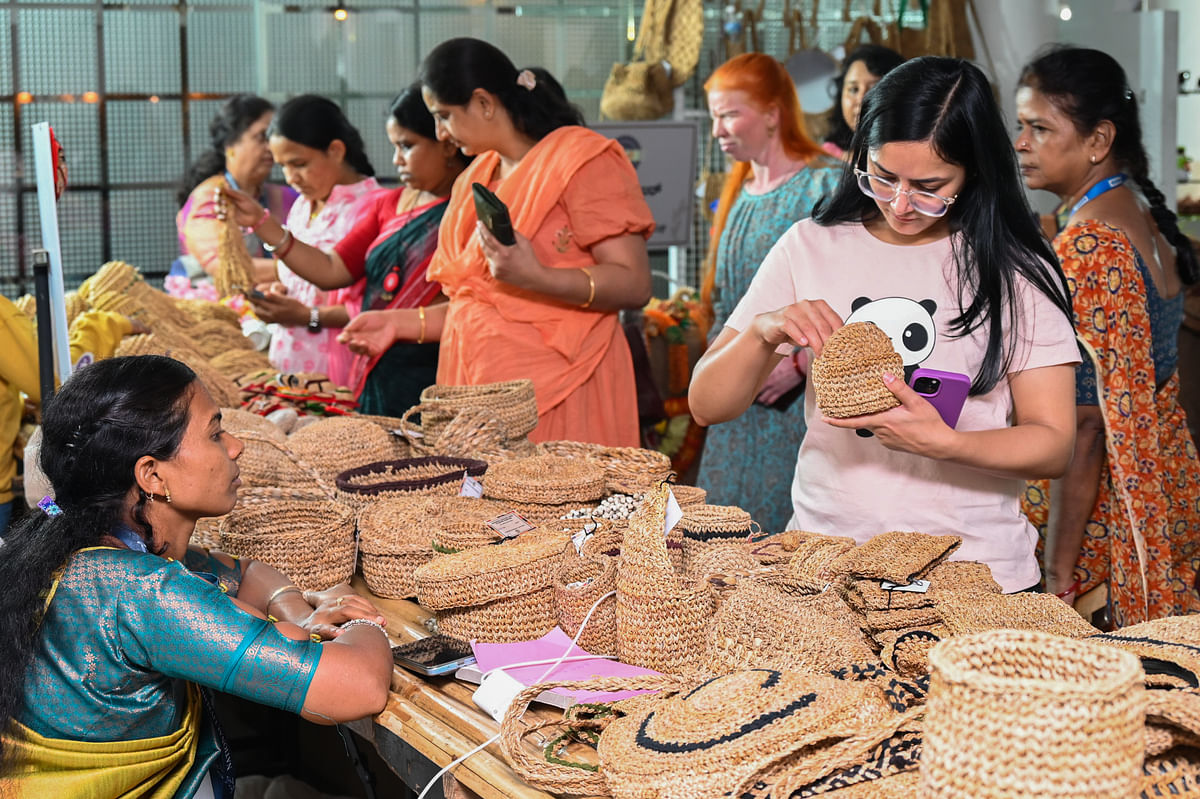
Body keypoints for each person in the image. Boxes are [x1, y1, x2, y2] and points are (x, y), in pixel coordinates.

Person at [689, 57, 1079, 593]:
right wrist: (764, 332)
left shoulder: (1014, 268)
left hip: (972, 576)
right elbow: (708, 405)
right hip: (823, 566)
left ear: (975, 170)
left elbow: (1054, 444)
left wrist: (946, 443)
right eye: (882, 176)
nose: (900, 204)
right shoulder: (811, 244)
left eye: (929, 185)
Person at [0, 355, 393, 798]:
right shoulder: (142, 591)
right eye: (215, 433)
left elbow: (249, 573)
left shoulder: (93, 544)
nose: (236, 446)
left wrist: (299, 616)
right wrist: (363, 619)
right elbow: (359, 686)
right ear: (152, 475)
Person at [339, 39, 654, 446]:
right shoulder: (478, 174)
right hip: (475, 390)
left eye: (444, 116)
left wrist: (537, 276)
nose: (441, 134)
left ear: (484, 103)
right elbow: (479, 302)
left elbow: (634, 284)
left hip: (564, 389)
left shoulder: (583, 160)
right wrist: (397, 323)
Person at [1015, 46, 1200, 625]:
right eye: (1020, 125)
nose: (1021, 142)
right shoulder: (1135, 210)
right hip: (1166, 481)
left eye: (1039, 128)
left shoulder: (1093, 248)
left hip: (1105, 520)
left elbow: (1090, 425)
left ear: (1098, 141)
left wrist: (1059, 574)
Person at [220, 85, 469, 416]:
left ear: (447, 142)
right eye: (394, 146)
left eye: (406, 146)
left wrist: (308, 315)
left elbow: (468, 307)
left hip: (434, 369)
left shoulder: (468, 208)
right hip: (376, 369)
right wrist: (261, 222)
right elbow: (332, 270)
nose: (395, 160)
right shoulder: (390, 204)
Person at [696, 53, 842, 534]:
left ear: (774, 114)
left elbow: (853, 292)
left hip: (794, 406)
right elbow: (725, 306)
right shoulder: (739, 191)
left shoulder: (823, 184)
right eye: (714, 115)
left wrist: (799, 365)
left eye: (731, 113)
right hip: (736, 406)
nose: (719, 128)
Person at [246, 95, 381, 388]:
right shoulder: (303, 206)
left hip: (341, 368)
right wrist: (279, 293)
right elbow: (299, 280)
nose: (291, 177)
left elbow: (380, 307)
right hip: (289, 361)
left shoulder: (375, 206)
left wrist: (308, 315)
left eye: (299, 164)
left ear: (335, 150)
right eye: (282, 166)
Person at [175, 95, 297, 289]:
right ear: (229, 145)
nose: (271, 148)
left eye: (273, 137)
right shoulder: (209, 198)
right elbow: (225, 267)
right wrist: (303, 271)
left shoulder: (287, 197)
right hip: (218, 311)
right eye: (261, 137)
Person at [822, 45, 904, 161]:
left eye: (874, 89)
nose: (861, 100)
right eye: (854, 89)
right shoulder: (825, 162)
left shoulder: (916, 154)